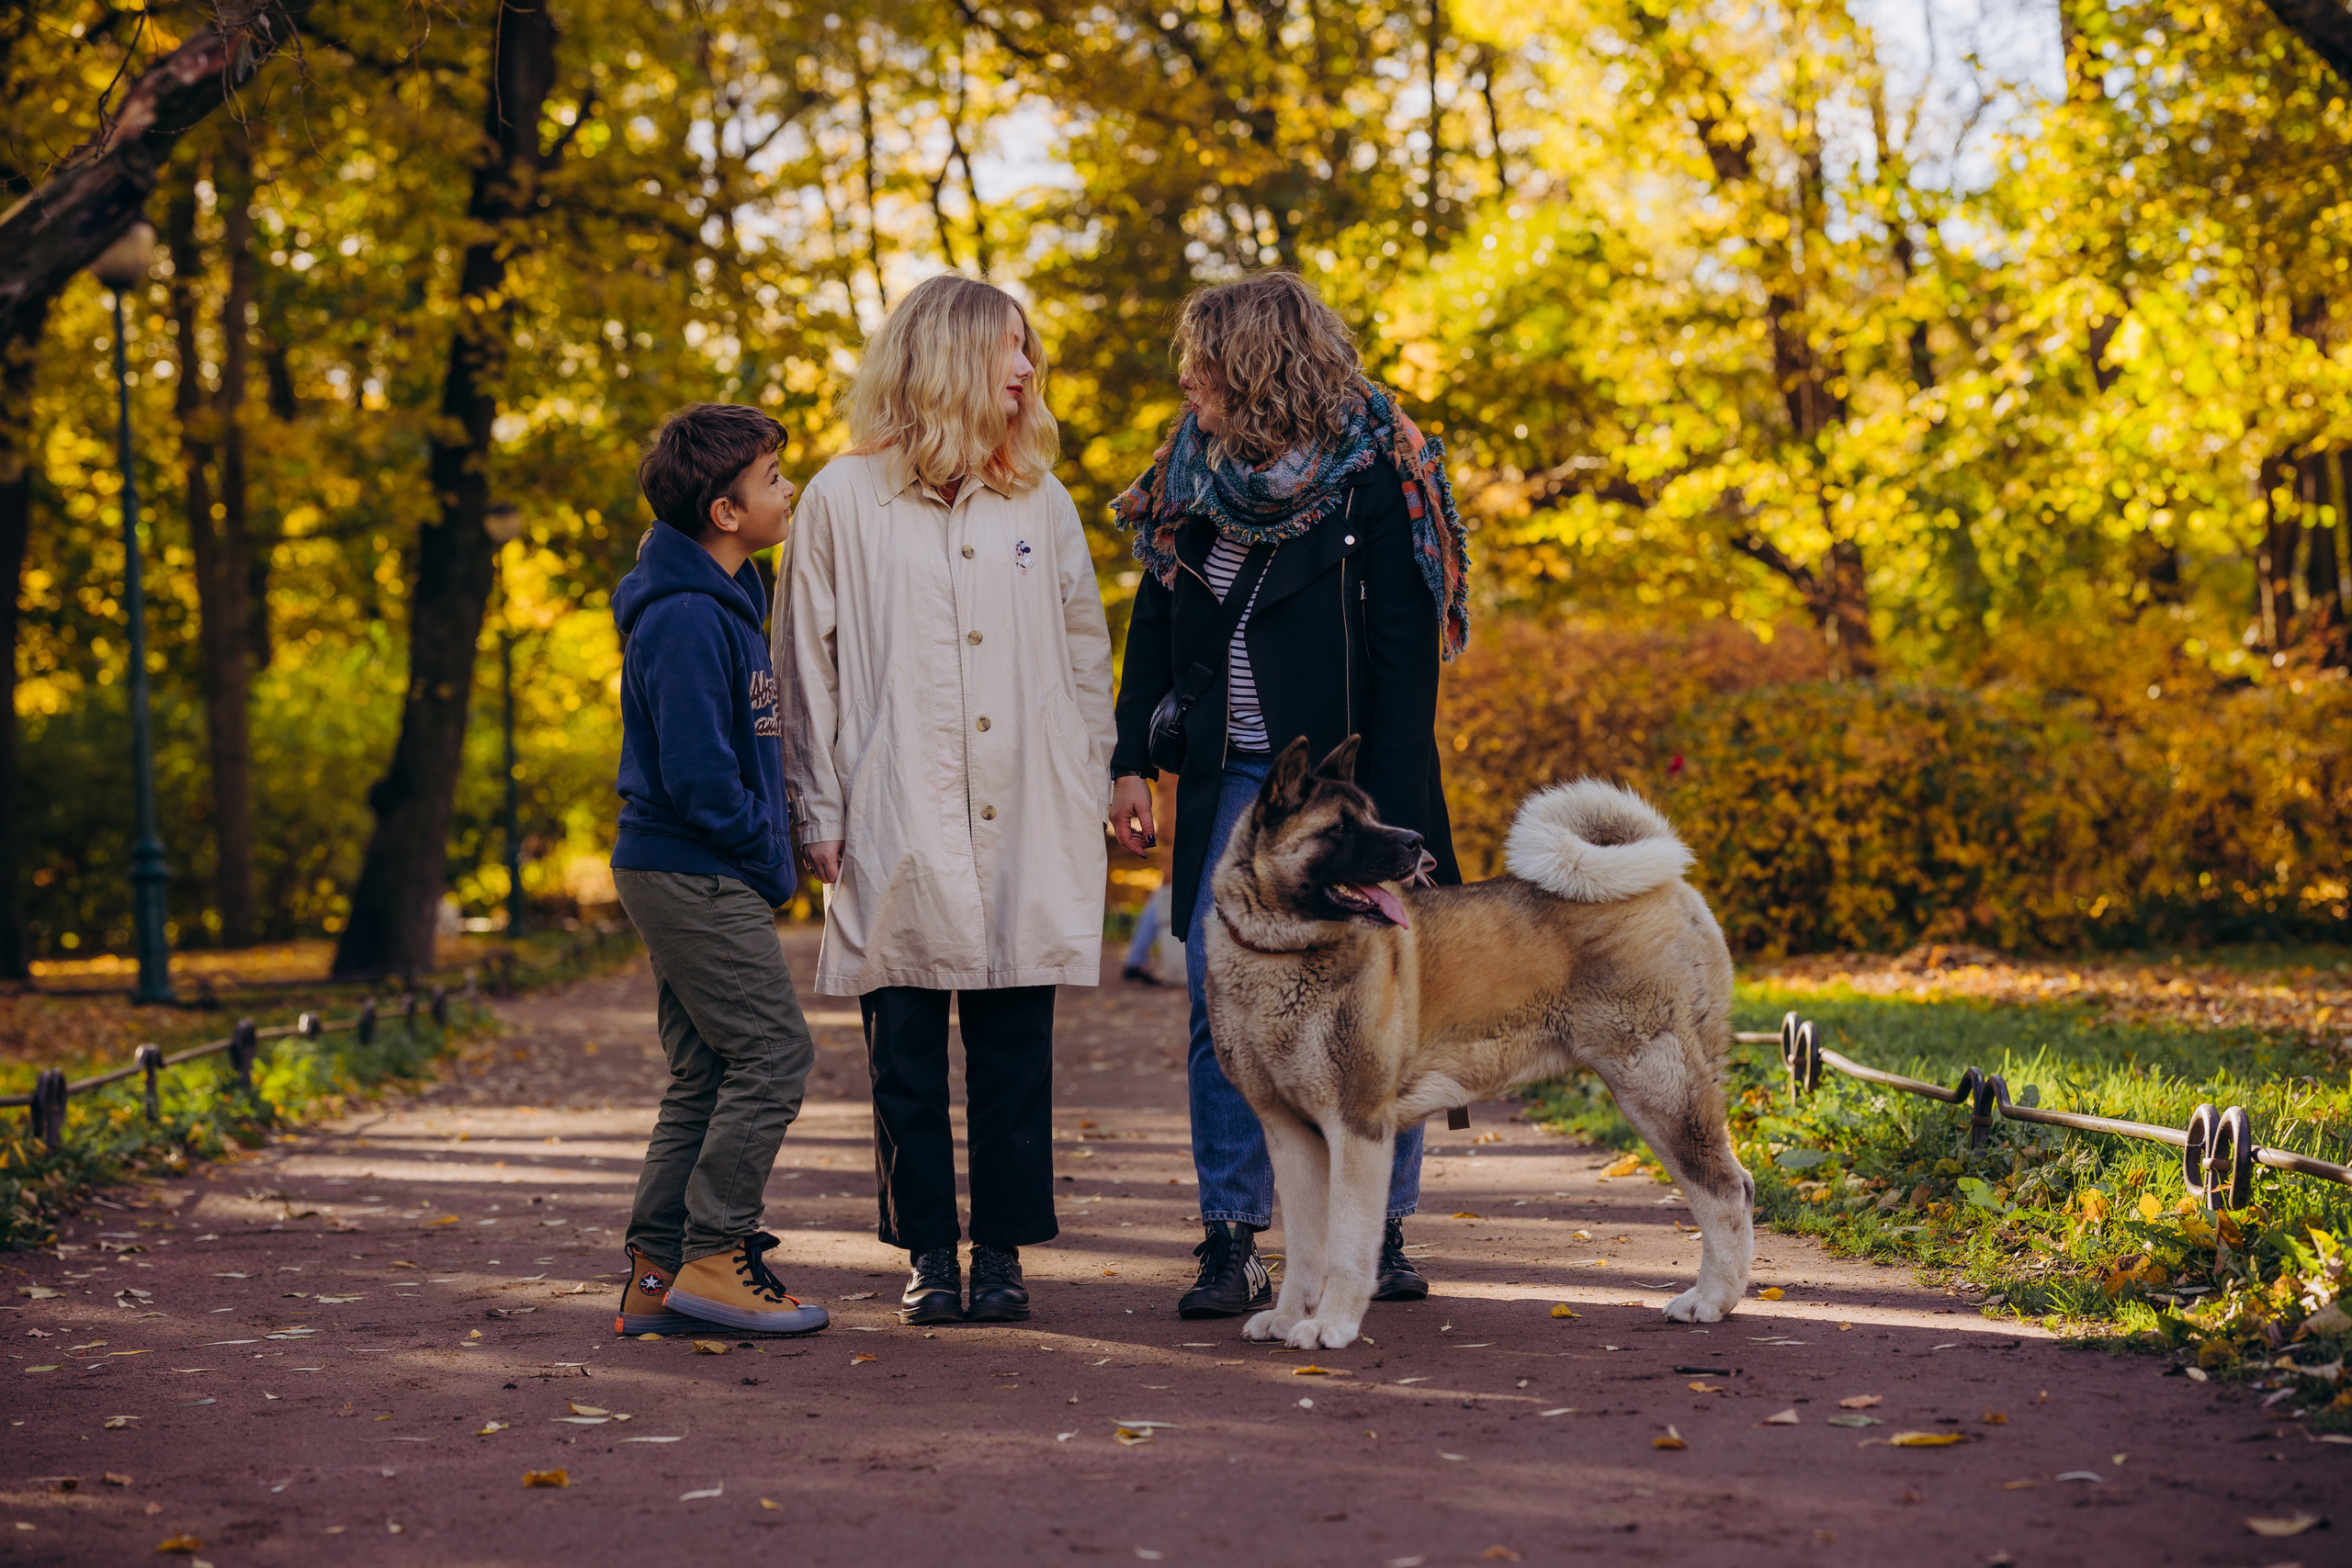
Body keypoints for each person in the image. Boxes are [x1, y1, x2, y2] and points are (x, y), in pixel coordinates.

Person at [1106, 271, 1472, 1320]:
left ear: (1259, 370)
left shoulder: (1379, 475)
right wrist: (1130, 757)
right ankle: (1232, 1237)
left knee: (1373, 999)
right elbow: (1153, 628)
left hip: (1351, 784)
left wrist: (1398, 834)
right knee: (1216, 996)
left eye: (1203, 366)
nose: (1185, 384)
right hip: (1229, 773)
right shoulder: (1188, 473)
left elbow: (1408, 667)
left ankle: (1377, 1231)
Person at [775, 275, 1115, 1326]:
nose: (1026, 368)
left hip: (1025, 802)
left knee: (1016, 1046)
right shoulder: (839, 498)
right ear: (951, 357)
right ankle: (927, 1249)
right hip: (898, 805)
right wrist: (818, 808)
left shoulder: (1040, 499)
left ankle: (1003, 1251)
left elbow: (1080, 644)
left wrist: (1091, 774)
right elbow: (804, 669)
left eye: (1027, 350)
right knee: (906, 1052)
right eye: (1009, 349)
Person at [608, 402, 829, 1337]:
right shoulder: (689, 620)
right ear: (724, 512)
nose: (789, 491)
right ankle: (715, 1256)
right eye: (774, 481)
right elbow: (701, 778)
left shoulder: (725, 600)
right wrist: (768, 853)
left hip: (687, 865)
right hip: (693, 865)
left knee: (704, 1070)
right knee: (775, 1054)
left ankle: (659, 1276)